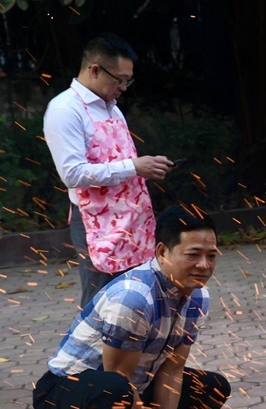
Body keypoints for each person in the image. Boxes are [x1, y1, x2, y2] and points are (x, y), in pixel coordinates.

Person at [32, 205, 229, 409]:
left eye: (212, 255)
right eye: (194, 254)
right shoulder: (133, 298)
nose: (204, 265)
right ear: (163, 252)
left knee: (212, 386)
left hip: (126, 388)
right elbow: (118, 380)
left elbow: (172, 371)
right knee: (113, 389)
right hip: (62, 394)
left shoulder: (198, 297)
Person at [43, 33, 175, 308]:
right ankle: (87, 352)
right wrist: (134, 166)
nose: (124, 87)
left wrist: (145, 168)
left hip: (132, 219)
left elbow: (123, 164)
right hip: (96, 223)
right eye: (120, 79)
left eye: (128, 80)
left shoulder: (112, 109)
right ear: (95, 69)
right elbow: (73, 174)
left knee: (137, 300)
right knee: (101, 305)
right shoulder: (64, 110)